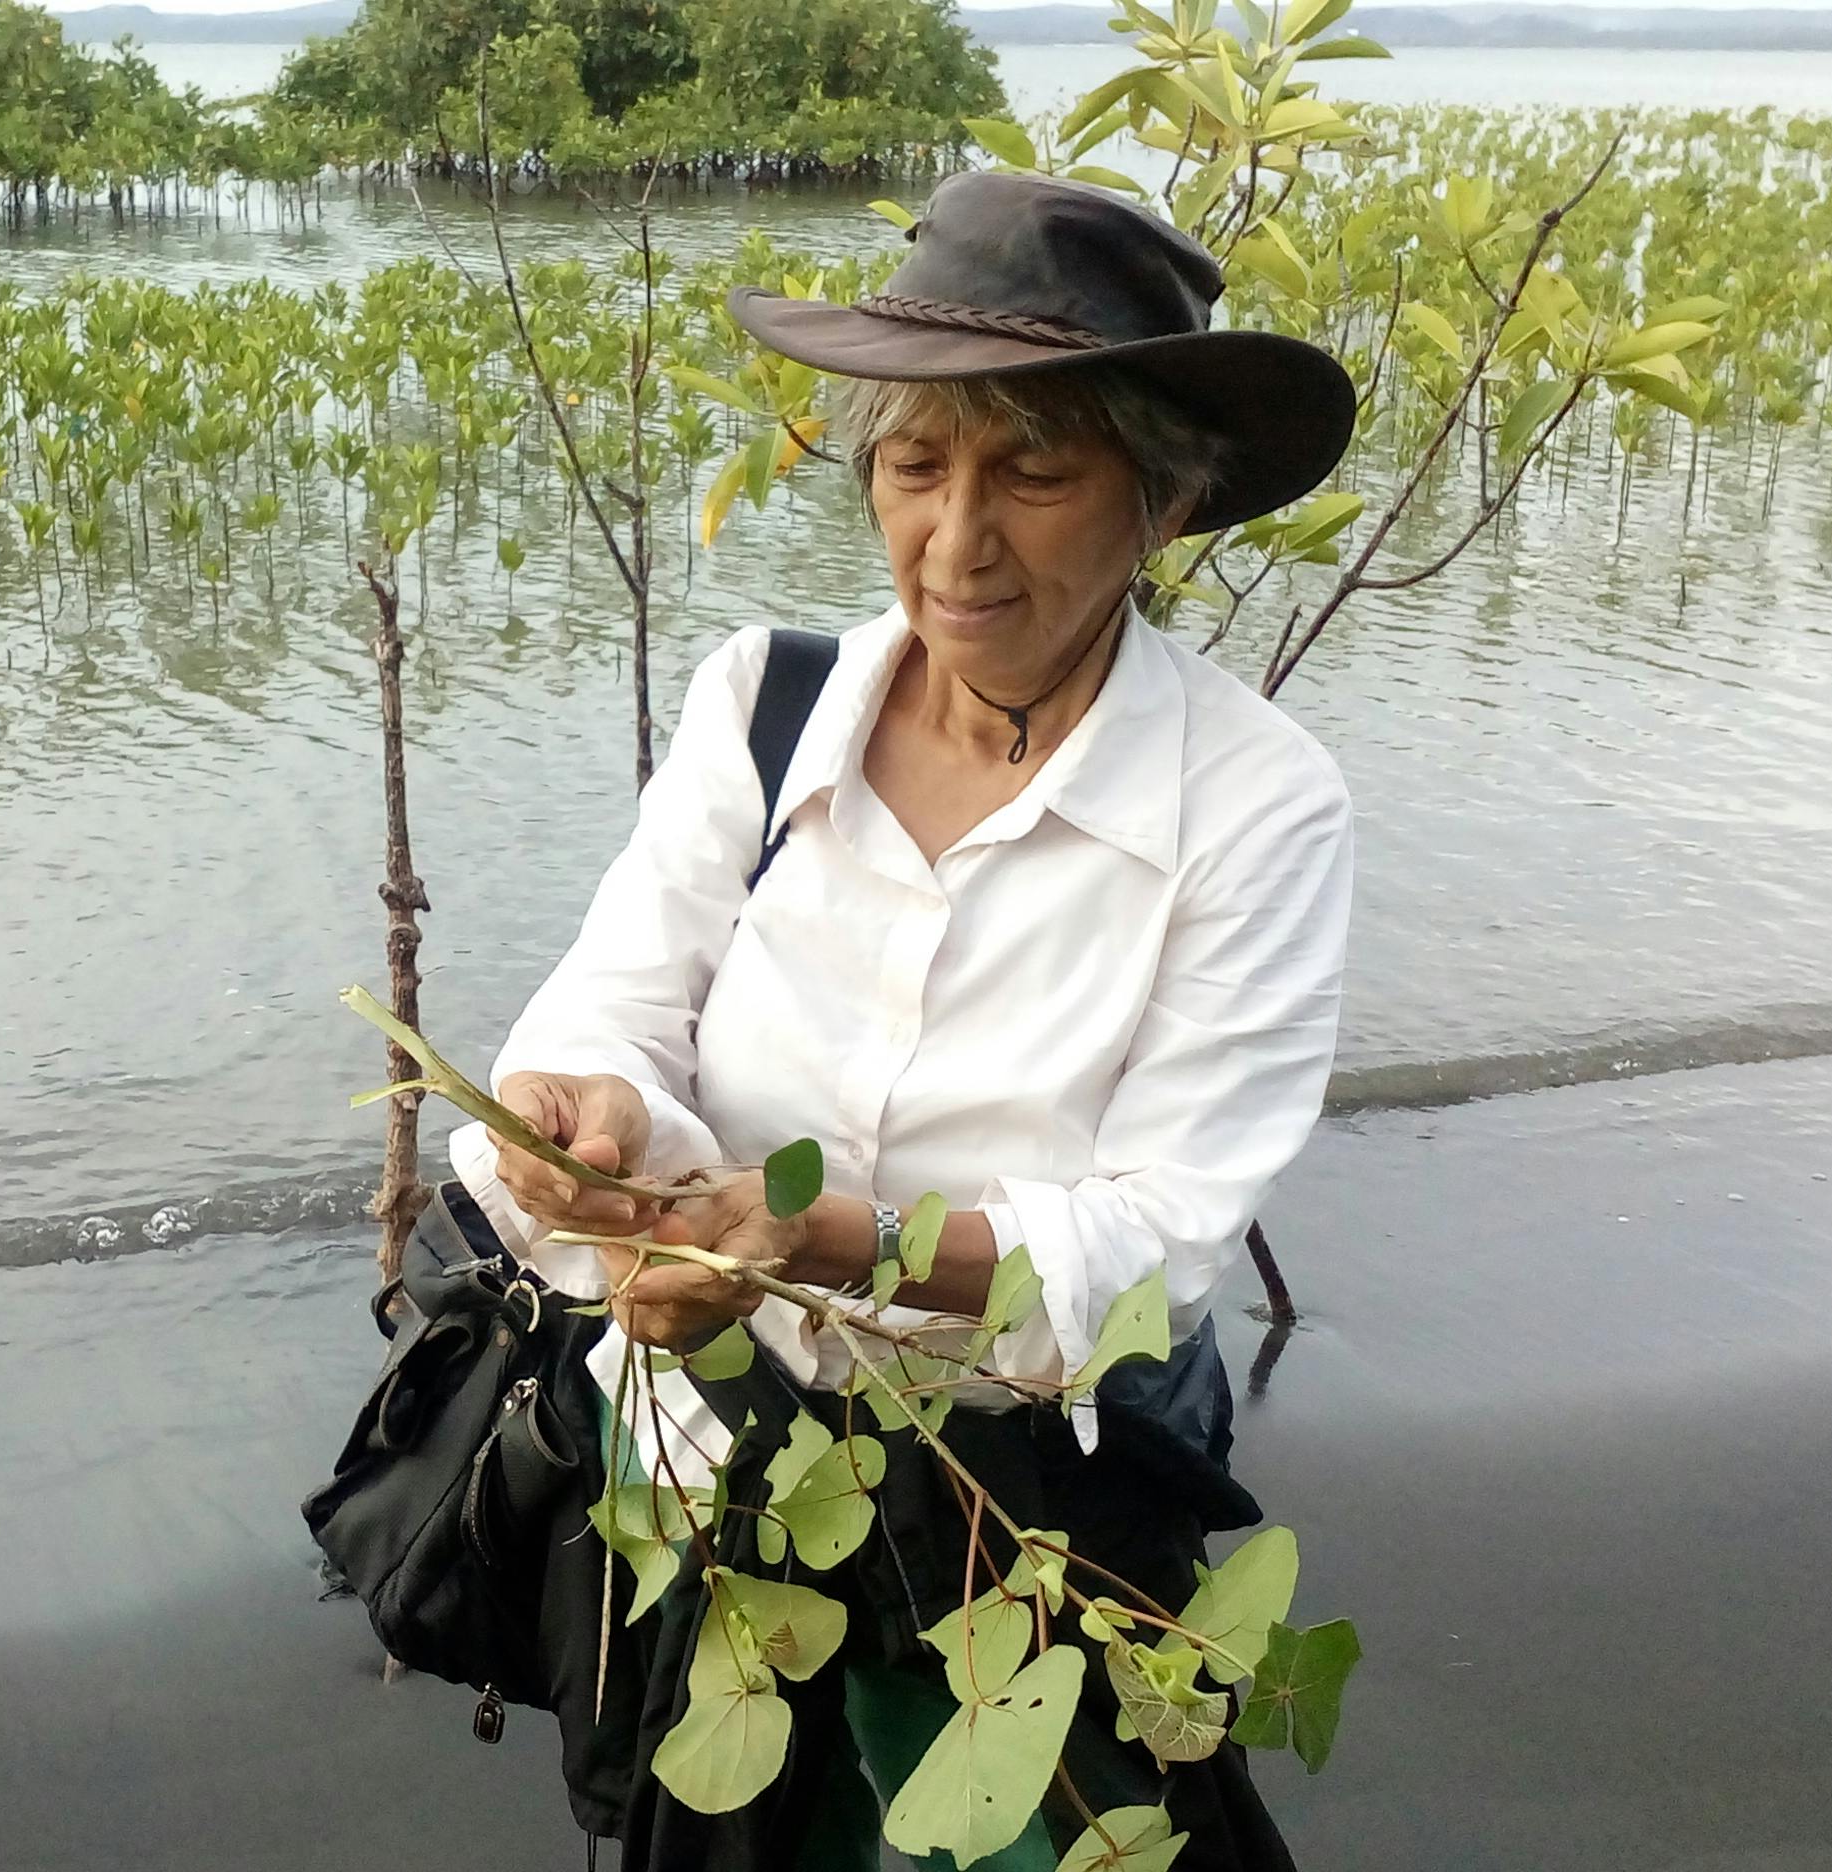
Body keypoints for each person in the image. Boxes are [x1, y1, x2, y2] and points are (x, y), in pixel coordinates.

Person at [450, 170, 1359, 1871]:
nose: (956, 541)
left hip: (1030, 1509)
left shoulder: (1255, 804)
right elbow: (619, 1000)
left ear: (1165, 502)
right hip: (721, 1448)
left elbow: (1159, 1239)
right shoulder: (763, 703)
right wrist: (585, 1120)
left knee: (1045, 1830)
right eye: (916, 465)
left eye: (1036, 472)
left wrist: (830, 1240)